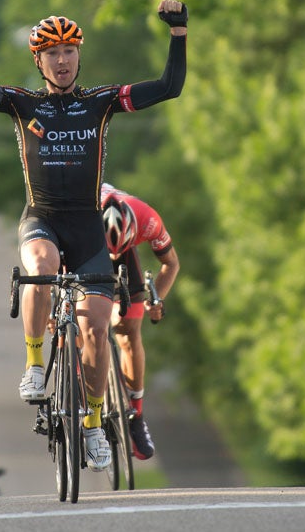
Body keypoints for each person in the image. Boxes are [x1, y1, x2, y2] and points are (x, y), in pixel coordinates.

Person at [0, 0, 187, 471]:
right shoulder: (22, 103)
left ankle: (92, 424)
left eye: (69, 51)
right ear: (39, 61)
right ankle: (35, 365)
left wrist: (178, 34)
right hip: (43, 218)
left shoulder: (101, 103)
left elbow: (168, 87)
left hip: (88, 227)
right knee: (41, 266)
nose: (62, 60)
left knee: (97, 329)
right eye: (52, 53)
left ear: (79, 55)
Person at [100, 182, 180, 460]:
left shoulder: (148, 220)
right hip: (87, 247)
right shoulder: (81, 215)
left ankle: (136, 415)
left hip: (125, 252)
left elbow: (171, 264)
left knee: (129, 331)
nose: (112, 256)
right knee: (83, 322)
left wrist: (156, 300)